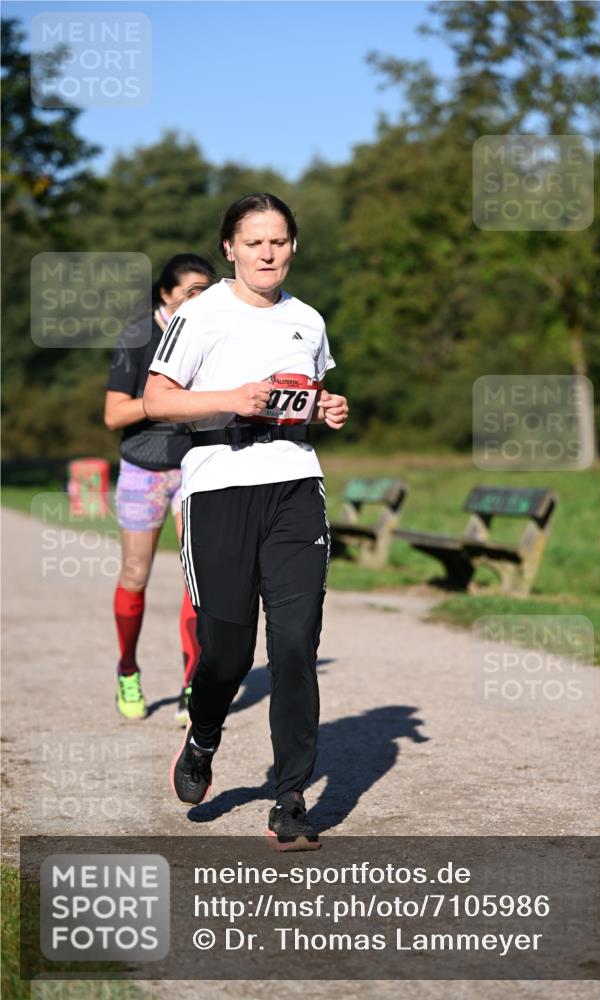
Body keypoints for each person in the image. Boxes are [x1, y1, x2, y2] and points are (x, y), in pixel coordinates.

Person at [144, 193, 349, 851]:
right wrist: (230, 399)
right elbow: (156, 400)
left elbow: (304, 396)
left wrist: (327, 408)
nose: (268, 253)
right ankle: (203, 738)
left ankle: (291, 800)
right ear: (229, 248)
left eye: (279, 241)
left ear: (293, 247)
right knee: (226, 654)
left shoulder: (308, 320)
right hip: (218, 488)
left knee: (294, 645)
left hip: (294, 486)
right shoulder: (199, 315)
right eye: (254, 241)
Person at [105, 254, 216, 722]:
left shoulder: (213, 335)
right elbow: (114, 415)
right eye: (192, 291)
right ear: (165, 294)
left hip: (196, 465)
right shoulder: (137, 337)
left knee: (200, 580)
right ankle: (128, 669)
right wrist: (163, 403)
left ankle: (193, 684)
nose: (201, 299)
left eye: (207, 291)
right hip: (144, 467)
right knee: (136, 575)